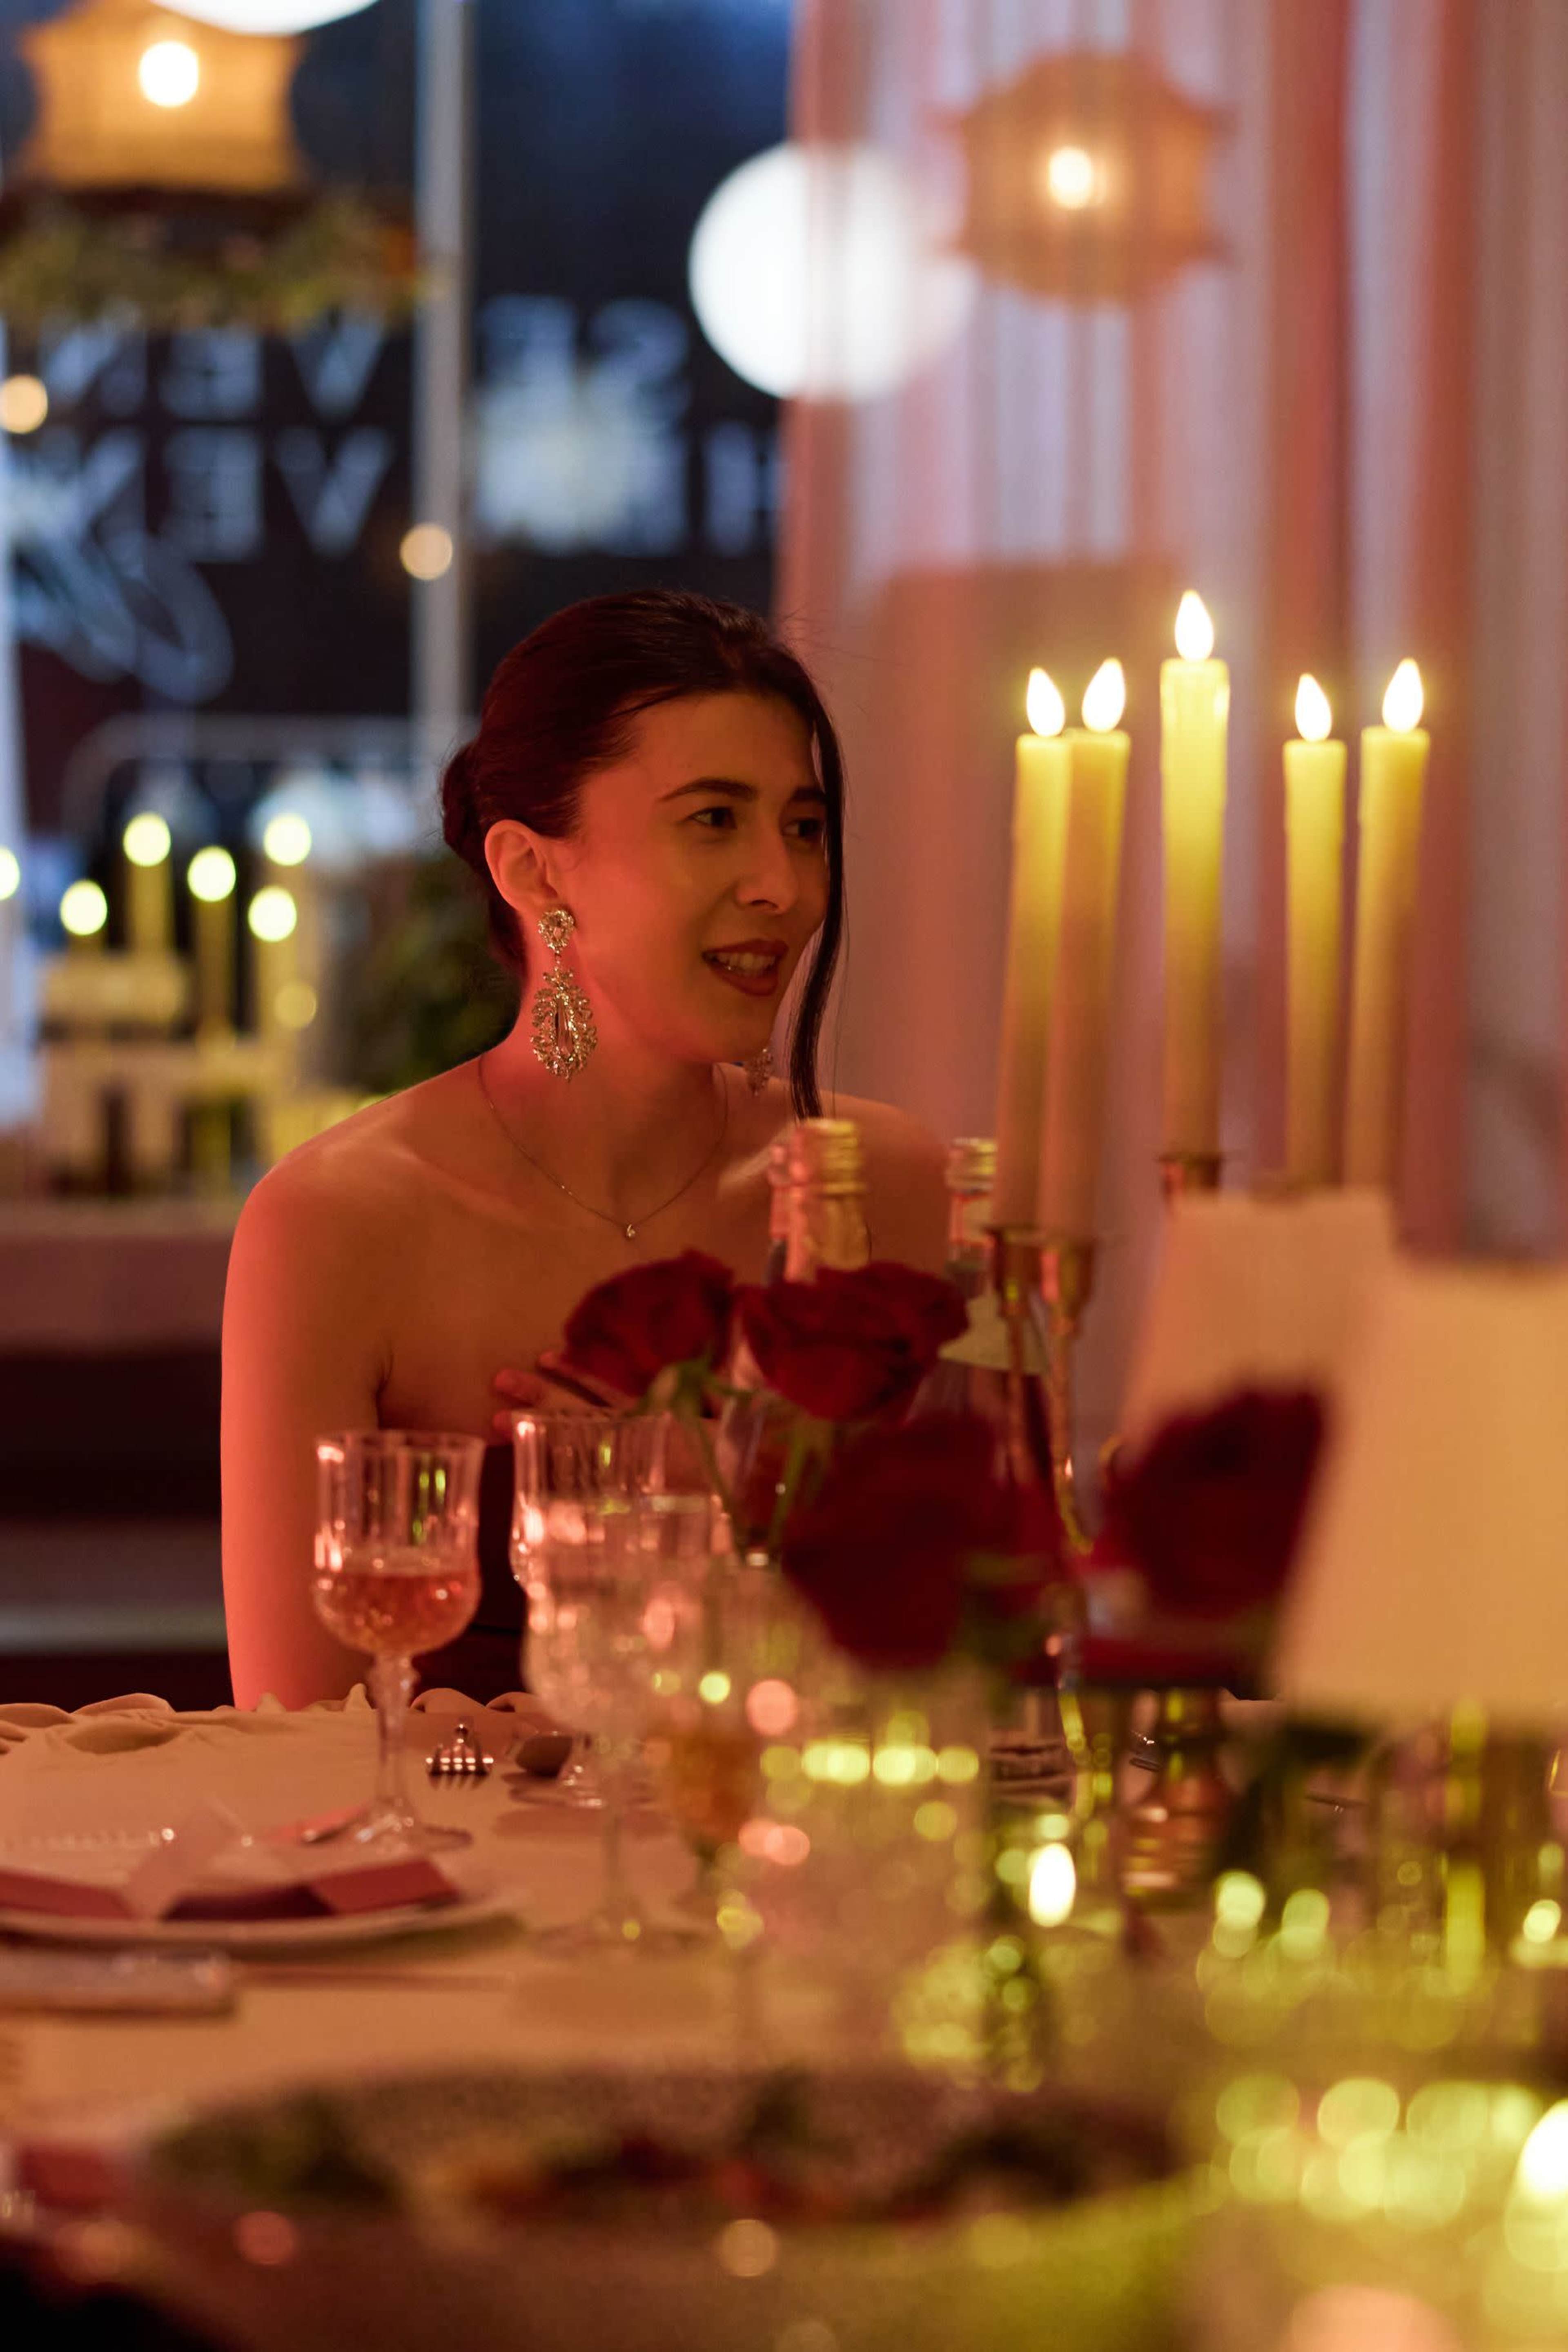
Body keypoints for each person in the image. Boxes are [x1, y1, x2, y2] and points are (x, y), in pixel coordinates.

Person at [222, 589, 949, 1708]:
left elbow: (972, 1670)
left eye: (803, 827)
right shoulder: (337, 1224)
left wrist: (721, 1514)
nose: (784, 886)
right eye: (715, 820)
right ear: (533, 870)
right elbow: (292, 1735)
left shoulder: (877, 1188)